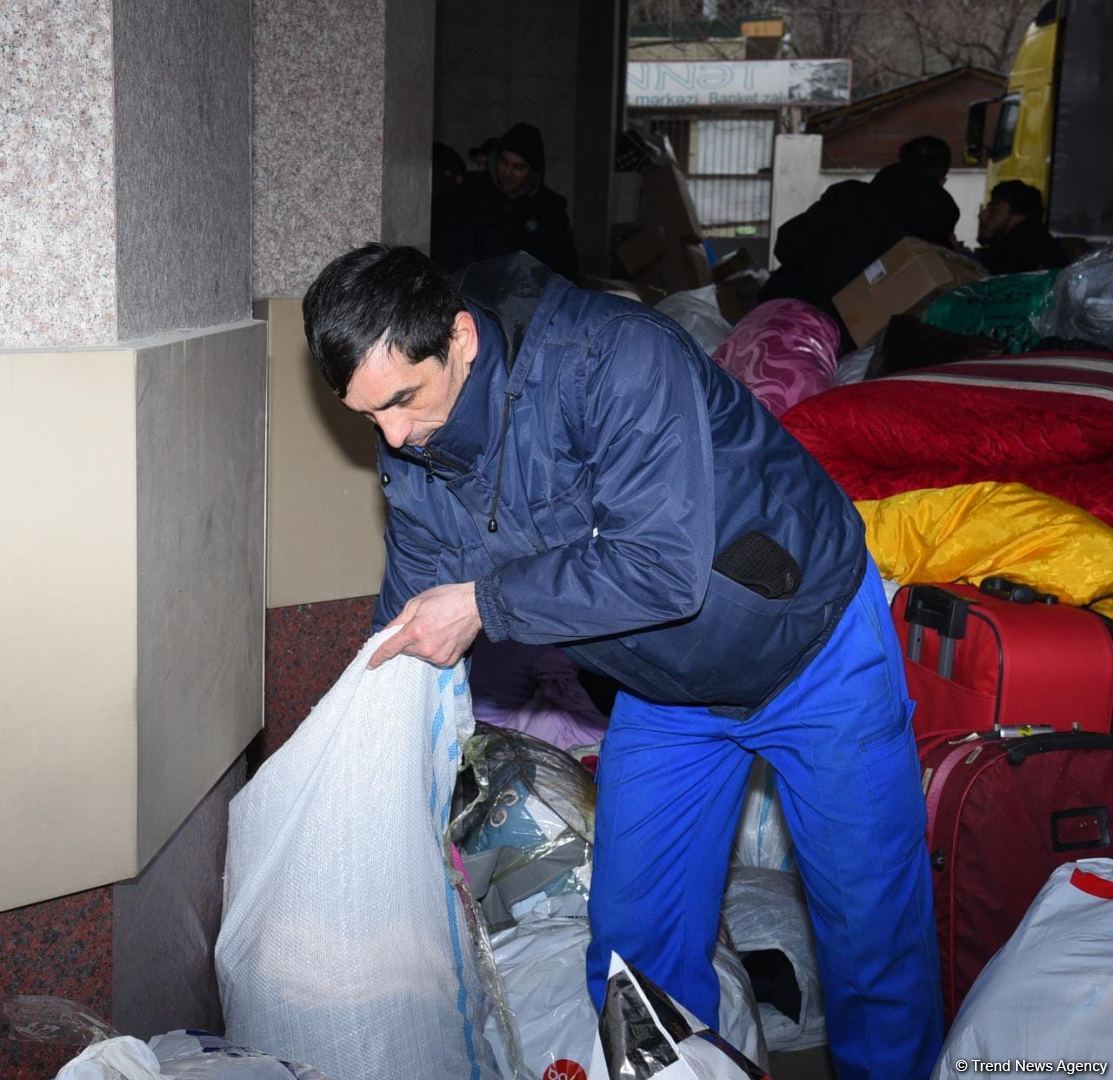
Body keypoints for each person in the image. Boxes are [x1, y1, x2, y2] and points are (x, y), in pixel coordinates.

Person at [302, 243, 944, 1080]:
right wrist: (350, 768)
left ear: (459, 336)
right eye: (367, 416)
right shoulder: (414, 451)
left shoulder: (614, 356)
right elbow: (411, 616)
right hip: (666, 685)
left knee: (869, 932)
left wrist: (485, 603)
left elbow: (660, 568)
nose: (391, 435)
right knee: (636, 941)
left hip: (809, 644)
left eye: (401, 400)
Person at [760, 134, 960, 351]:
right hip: (860, 350)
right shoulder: (938, 233)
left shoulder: (847, 196)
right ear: (943, 181)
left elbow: (786, 245)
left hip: (788, 323)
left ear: (900, 160)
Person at [975, 180, 1069, 274]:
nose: (981, 215)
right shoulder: (1043, 247)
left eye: (994, 210)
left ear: (1018, 215)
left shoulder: (1019, 253)